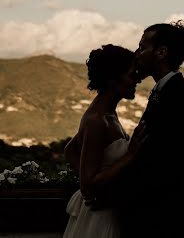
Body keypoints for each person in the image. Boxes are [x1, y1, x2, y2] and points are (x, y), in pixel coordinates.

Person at [114, 21, 184, 238]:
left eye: (142, 47)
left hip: (162, 222)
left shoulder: (178, 98)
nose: (136, 54)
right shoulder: (167, 92)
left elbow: (160, 166)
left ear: (161, 53)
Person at [62, 44, 147, 238]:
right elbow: (87, 183)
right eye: (132, 75)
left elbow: (69, 150)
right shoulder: (98, 120)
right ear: (112, 79)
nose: (137, 80)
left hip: (106, 208)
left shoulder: (106, 113)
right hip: (100, 217)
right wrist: (130, 156)